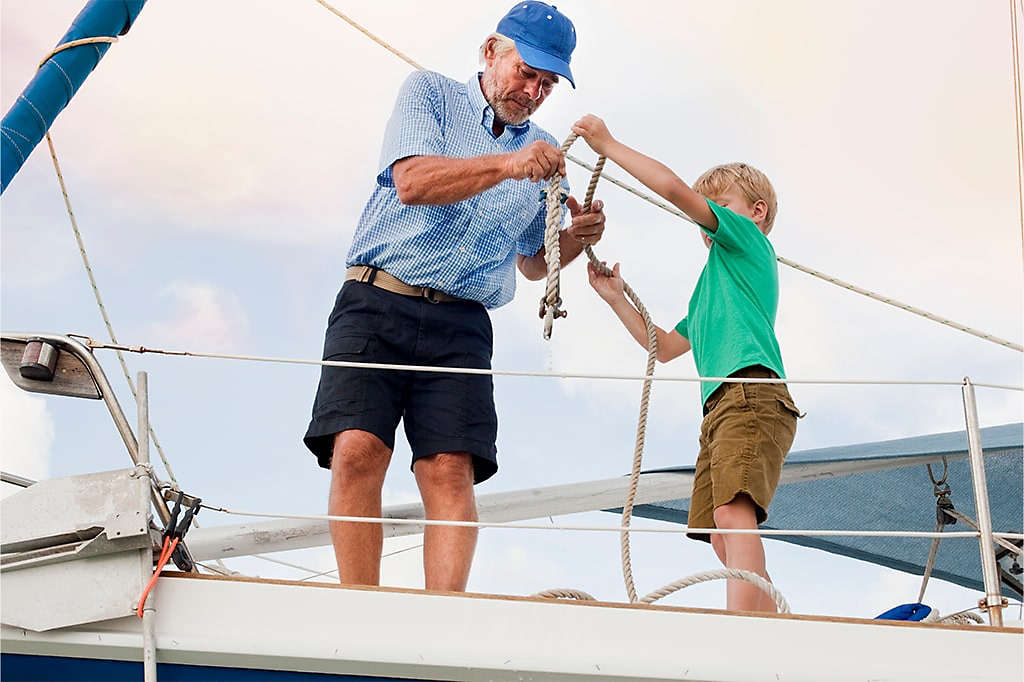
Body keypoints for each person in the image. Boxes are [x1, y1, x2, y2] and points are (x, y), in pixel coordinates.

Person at [303, 2, 606, 592]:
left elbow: (534, 260)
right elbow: (413, 182)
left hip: (463, 322)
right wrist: (509, 165)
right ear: (491, 51)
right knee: (358, 449)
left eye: (547, 83)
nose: (534, 90)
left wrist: (575, 239)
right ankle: (357, 608)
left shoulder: (549, 155)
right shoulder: (429, 93)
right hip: (376, 298)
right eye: (527, 72)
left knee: (449, 469)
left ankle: (442, 623)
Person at [572, 114, 800, 612]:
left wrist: (608, 145)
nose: (707, 216)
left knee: (733, 515)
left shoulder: (747, 242)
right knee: (721, 531)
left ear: (754, 213)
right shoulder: (708, 289)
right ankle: (768, 620)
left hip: (751, 394)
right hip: (721, 408)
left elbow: (675, 190)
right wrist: (615, 299)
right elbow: (663, 346)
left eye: (719, 205)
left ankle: (745, 628)